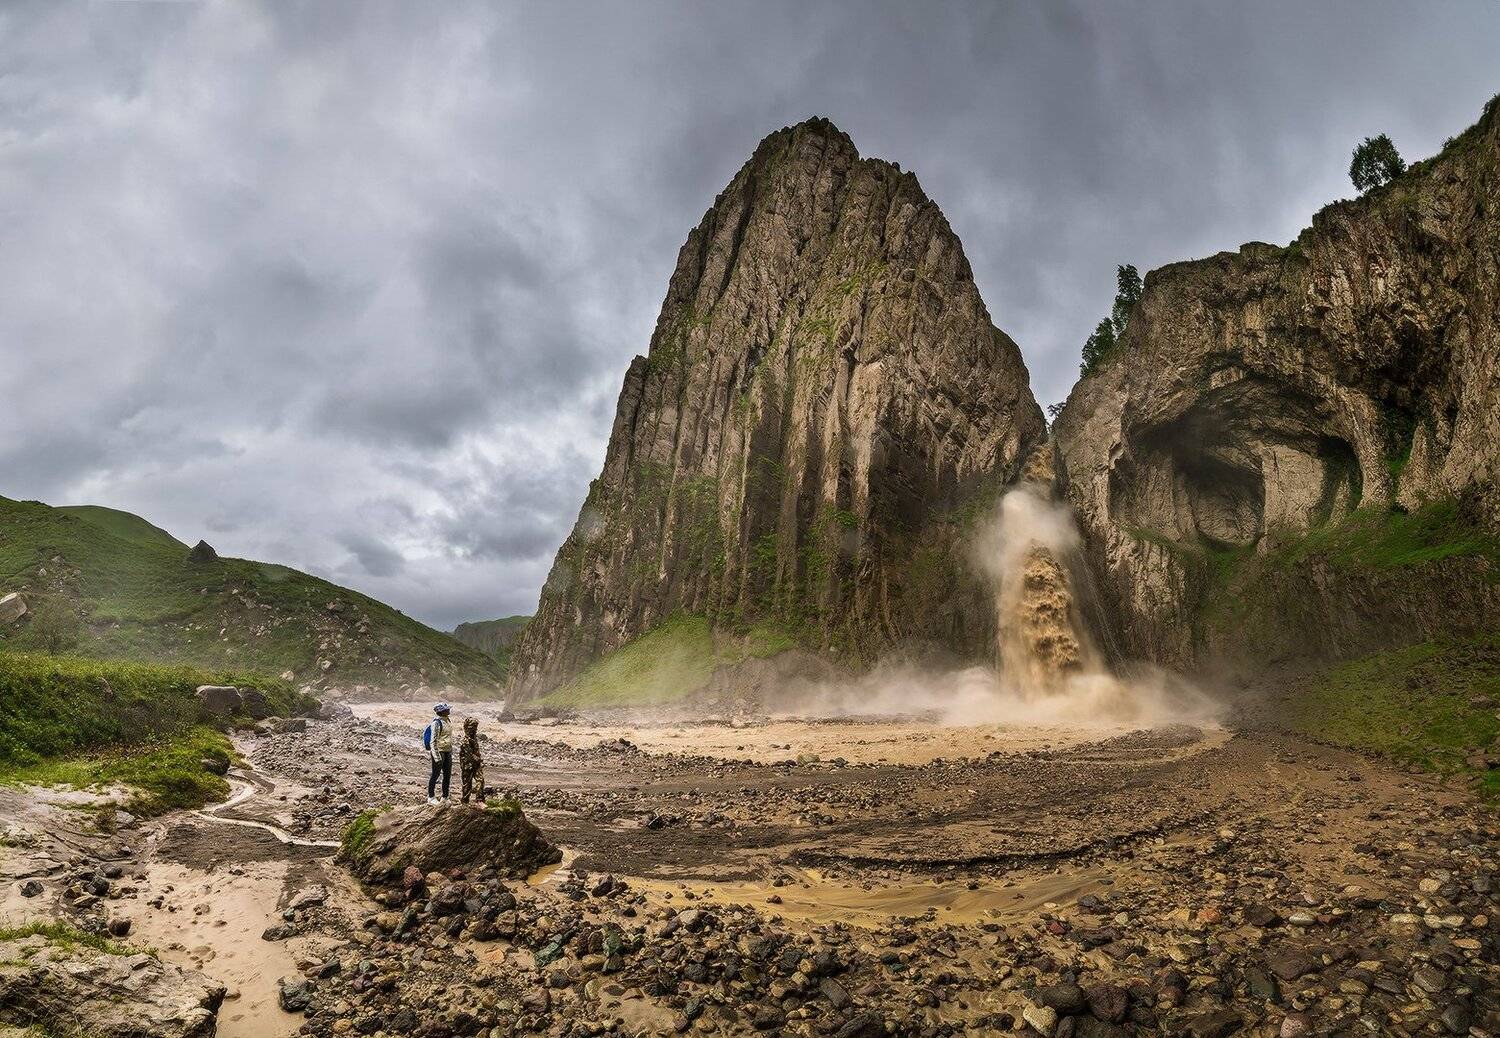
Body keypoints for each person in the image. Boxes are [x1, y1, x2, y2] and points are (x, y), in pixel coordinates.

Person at [424, 703, 453, 804]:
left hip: (447, 751)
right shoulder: (436, 723)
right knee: (435, 774)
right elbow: (433, 741)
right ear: (442, 712)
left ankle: (445, 796)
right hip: (439, 751)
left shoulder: (448, 720)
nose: (449, 710)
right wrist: (436, 757)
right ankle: (431, 797)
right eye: (446, 709)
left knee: (447, 775)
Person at [460, 717, 486, 804]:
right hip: (467, 765)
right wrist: (479, 759)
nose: (474, 729)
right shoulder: (465, 741)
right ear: (466, 728)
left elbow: (476, 752)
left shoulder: (474, 738)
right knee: (467, 785)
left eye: (475, 727)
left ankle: (480, 800)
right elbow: (470, 755)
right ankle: (465, 802)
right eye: (472, 727)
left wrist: (479, 760)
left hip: (476, 765)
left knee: (480, 780)